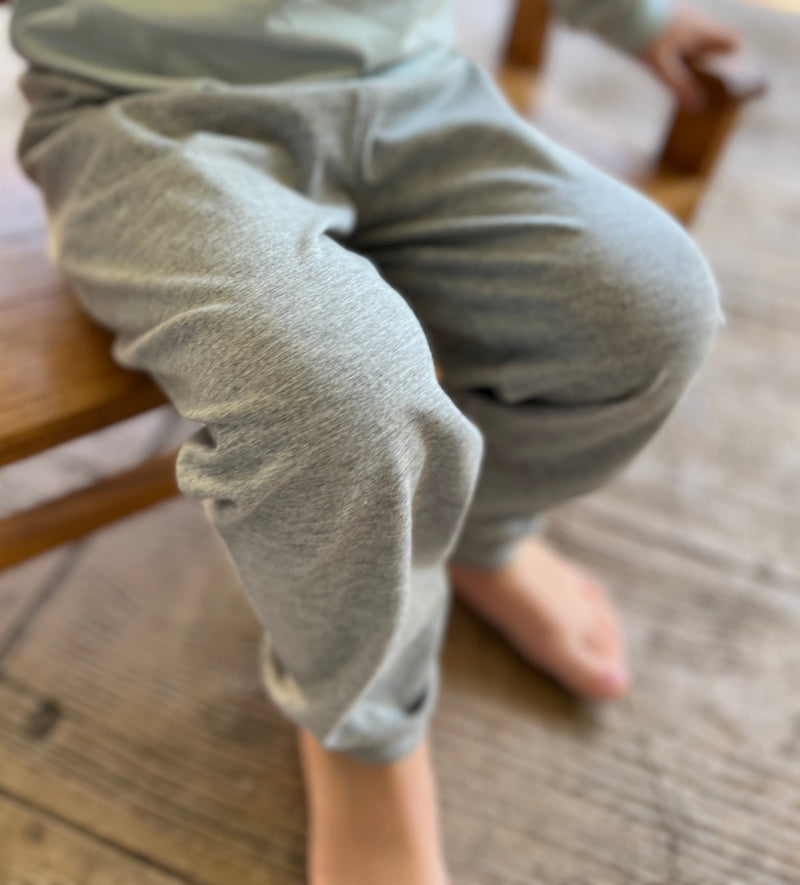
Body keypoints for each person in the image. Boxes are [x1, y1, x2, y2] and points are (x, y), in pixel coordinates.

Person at [10, 0, 739, 880]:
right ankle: (366, 729)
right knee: (333, 401)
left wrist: (635, 17)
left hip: (417, 84)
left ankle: (480, 532)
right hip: (139, 114)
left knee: (653, 309)